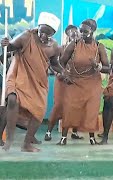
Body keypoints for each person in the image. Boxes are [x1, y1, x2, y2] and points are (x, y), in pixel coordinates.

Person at [1, 12, 65, 152]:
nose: (43, 36)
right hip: (18, 74)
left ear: (54, 33)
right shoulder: (26, 36)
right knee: (12, 99)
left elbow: (54, 63)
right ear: (38, 27)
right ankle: (10, 139)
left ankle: (26, 144)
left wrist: (63, 71)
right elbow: (10, 47)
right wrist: (6, 43)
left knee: (38, 112)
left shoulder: (54, 46)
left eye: (48, 34)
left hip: (38, 81)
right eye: (42, 32)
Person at [57, 19, 110, 145]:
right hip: (74, 82)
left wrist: (99, 67)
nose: (81, 33)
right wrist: (65, 75)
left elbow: (108, 67)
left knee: (91, 110)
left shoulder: (99, 47)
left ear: (92, 31)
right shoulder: (73, 45)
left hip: (92, 84)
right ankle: (64, 138)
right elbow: (61, 62)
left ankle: (92, 138)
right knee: (70, 108)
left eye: (85, 31)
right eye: (80, 31)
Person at [44, 25, 83, 141]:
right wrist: (58, 74)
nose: (74, 34)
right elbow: (51, 64)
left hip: (76, 82)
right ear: (67, 35)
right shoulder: (60, 49)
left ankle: (74, 132)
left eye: (76, 32)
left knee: (75, 107)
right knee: (59, 106)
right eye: (71, 32)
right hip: (62, 81)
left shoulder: (82, 49)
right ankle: (48, 132)